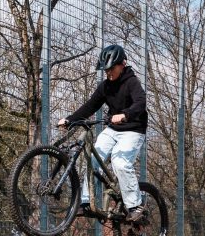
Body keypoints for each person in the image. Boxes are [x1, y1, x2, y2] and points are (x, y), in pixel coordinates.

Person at [57, 44, 148, 222]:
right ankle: (85, 202)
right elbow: (91, 105)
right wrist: (70, 119)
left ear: (122, 64)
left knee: (120, 162)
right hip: (113, 129)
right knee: (91, 160)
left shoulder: (131, 82)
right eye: (105, 70)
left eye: (111, 69)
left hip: (133, 130)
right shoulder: (105, 86)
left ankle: (136, 206)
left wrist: (125, 115)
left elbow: (140, 103)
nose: (108, 73)